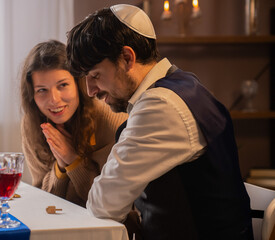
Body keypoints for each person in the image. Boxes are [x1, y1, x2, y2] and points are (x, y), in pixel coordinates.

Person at [66, 4, 253, 240]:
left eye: (95, 76)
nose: (90, 90)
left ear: (126, 58)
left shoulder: (160, 106)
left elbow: (103, 205)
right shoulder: (184, 84)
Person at [20, 40, 128, 208]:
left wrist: (73, 160)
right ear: (32, 96)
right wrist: (61, 167)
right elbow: (44, 202)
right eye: (42, 90)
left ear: (78, 84)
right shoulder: (32, 124)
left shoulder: (112, 120)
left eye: (62, 85)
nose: (54, 100)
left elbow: (112, 204)